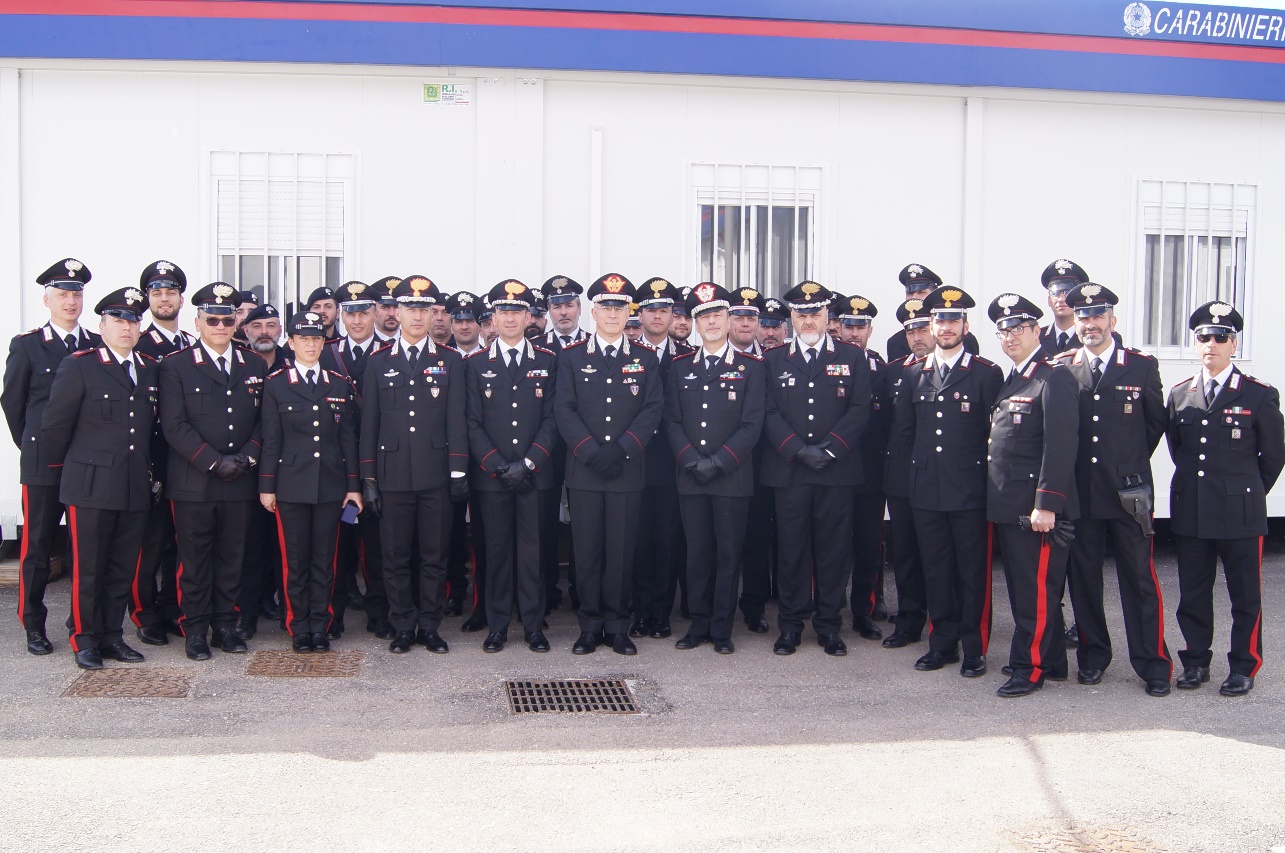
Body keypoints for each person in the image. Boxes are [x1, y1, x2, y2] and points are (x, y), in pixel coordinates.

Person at [1052, 283, 1172, 695]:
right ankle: (1093, 656)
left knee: (1139, 580)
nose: (1090, 324)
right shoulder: (1062, 365)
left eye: (1097, 316)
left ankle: (1153, 663)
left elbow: (1154, 423)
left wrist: (1127, 462)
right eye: (1083, 317)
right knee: (1084, 579)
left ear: (1112, 320)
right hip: (1081, 493)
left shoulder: (1139, 365)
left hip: (1128, 494)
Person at [1167, 301, 1284, 697]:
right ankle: (1196, 662)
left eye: (1220, 337)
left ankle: (1244, 666)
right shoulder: (1181, 394)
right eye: (1204, 337)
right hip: (1192, 510)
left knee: (1245, 596)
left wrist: (1245, 491)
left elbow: (1272, 457)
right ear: (1195, 343)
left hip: (1240, 513)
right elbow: (1177, 449)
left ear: (1234, 344)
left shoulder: (1259, 395)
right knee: (1193, 594)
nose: (1211, 344)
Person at [41, 286, 157, 669]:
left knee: (122, 566)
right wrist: (67, 477)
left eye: (133, 320)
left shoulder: (148, 367)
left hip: (132, 485)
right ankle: (84, 638)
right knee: (89, 567)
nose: (127, 327)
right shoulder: (81, 364)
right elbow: (55, 427)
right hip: (89, 486)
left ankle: (112, 636)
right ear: (102, 325)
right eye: (118, 320)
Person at [554, 273, 663, 655]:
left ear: (628, 312)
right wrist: (589, 450)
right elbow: (563, 409)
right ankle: (589, 626)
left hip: (626, 470)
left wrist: (622, 450)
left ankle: (618, 626)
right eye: (606, 307)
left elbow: (652, 409)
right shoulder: (570, 357)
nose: (613, 314)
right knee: (586, 552)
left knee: (620, 552)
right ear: (594, 311)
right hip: (584, 471)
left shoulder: (645, 359)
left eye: (620, 308)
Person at [360, 275, 469, 654]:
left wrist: (457, 471)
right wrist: (368, 477)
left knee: (434, 555)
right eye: (410, 309)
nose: (418, 316)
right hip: (391, 476)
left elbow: (457, 418)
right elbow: (368, 424)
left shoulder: (450, 361)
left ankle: (430, 625)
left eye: (425, 309)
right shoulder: (377, 363)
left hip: (435, 474)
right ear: (396, 312)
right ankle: (402, 624)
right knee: (395, 556)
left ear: (433, 313)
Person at [896, 285, 1002, 677]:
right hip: (926, 489)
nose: (946, 327)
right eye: (940, 320)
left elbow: (996, 435)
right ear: (932, 324)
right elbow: (905, 434)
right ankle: (942, 643)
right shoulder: (912, 374)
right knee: (935, 569)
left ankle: (974, 648)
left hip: (969, 490)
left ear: (965, 325)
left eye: (953, 320)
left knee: (972, 572)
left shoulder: (986, 373)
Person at [761, 280, 871, 657]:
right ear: (792, 317)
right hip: (790, 470)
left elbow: (859, 410)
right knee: (791, 549)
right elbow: (768, 411)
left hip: (835, 471)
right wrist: (796, 449)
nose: (808, 320)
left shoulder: (852, 357)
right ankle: (790, 626)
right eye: (801, 314)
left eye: (815, 313)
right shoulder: (773, 359)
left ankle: (828, 626)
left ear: (828, 316)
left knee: (833, 550)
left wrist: (831, 450)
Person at [159, 283, 265, 660]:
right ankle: (195, 630)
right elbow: (173, 425)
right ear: (198, 321)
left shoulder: (254, 363)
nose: (221, 325)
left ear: (237, 321)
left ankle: (225, 624)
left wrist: (246, 459)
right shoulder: (176, 365)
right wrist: (213, 461)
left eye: (227, 318)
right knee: (194, 559)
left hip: (239, 479)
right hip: (194, 481)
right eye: (212, 319)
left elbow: (263, 421)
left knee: (231, 556)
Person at [2, 258, 100, 656]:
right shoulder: (27, 345)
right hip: (43, 460)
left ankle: (80, 622)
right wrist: (31, 443)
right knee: (38, 545)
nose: (71, 301)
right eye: (63, 294)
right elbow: (13, 402)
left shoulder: (95, 343)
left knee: (84, 545)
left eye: (76, 294)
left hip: (85, 459)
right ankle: (33, 624)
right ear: (47, 299)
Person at [986, 292, 1079, 697]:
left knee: (1035, 591)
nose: (1010, 336)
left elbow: (1060, 446)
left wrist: (1047, 503)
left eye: (1018, 328)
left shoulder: (1053, 376)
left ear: (1037, 330)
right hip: (1010, 503)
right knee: (1026, 586)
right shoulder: (1016, 376)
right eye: (1003, 330)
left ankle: (1031, 666)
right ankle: (1053, 659)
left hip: (1034, 508)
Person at [665, 283, 765, 653]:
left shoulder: (752, 368)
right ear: (694, 322)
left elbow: (752, 424)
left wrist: (719, 461)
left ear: (728, 320)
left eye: (717, 315)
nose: (710, 322)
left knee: (728, 553)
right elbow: (672, 421)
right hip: (691, 476)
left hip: (731, 477)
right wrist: (692, 459)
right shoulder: (679, 367)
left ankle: (722, 628)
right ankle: (699, 623)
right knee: (697, 552)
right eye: (703, 316)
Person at [464, 279, 559, 652]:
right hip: (493, 476)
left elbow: (553, 419)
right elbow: (470, 421)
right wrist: (497, 465)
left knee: (533, 553)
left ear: (527, 316)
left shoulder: (549, 361)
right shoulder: (474, 364)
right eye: (503, 311)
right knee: (498, 552)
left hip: (535, 475)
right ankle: (498, 625)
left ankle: (534, 626)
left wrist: (530, 462)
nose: (510, 318)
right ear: (494, 316)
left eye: (517, 311)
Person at [259, 311, 362, 653]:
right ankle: (297, 625)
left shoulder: (337, 382)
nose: (311, 345)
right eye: (304, 339)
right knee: (295, 561)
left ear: (324, 342)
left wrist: (353, 486)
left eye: (317, 339)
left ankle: (321, 623)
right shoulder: (276, 383)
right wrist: (267, 486)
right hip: (290, 486)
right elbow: (271, 439)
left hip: (330, 486)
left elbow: (348, 440)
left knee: (325, 559)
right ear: (291, 343)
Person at [131, 260, 195, 646]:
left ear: (181, 299)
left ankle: (174, 609)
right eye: (156, 293)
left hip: (183, 460)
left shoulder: (189, 342)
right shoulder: (137, 343)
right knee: (149, 543)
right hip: (150, 457)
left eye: (170, 292)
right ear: (148, 300)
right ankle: (144, 613)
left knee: (180, 542)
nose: (164, 298)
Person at [322, 280, 391, 638]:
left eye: (364, 311)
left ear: (376, 313)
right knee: (339, 544)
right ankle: (333, 615)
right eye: (350, 312)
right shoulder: (324, 352)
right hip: (338, 468)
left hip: (379, 466)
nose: (358, 319)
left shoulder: (391, 351)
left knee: (378, 546)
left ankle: (380, 613)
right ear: (340, 315)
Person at [631, 277, 693, 639]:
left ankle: (662, 613)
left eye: (664, 310)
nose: (658, 316)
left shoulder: (687, 357)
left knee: (669, 541)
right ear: (640, 313)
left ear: (673, 315)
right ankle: (640, 612)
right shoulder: (628, 351)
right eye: (651, 309)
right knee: (638, 541)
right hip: (635, 460)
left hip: (672, 462)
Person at [234, 301, 290, 639]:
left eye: (271, 325)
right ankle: (248, 612)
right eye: (257, 326)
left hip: (291, 470)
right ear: (246, 330)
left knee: (286, 547)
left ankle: (285, 608)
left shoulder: (296, 360)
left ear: (281, 331)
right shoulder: (241, 366)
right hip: (249, 469)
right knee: (250, 545)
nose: (264, 332)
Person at [835, 294, 889, 641]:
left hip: (871, 474)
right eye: (849, 326)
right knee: (833, 546)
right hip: (835, 470)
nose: (854, 333)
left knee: (869, 546)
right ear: (837, 327)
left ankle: (864, 611)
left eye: (861, 326)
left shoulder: (883, 371)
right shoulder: (828, 365)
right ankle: (831, 608)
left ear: (870, 331)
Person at [881, 297, 933, 649]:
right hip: (900, 474)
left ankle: (943, 620)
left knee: (938, 553)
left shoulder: (966, 369)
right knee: (906, 554)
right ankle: (909, 618)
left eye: (922, 328)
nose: (917, 336)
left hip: (937, 475)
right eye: (910, 330)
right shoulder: (893, 370)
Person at [539, 274, 586, 612]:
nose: (563, 312)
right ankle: (546, 589)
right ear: (548, 311)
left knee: (584, 524)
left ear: (580, 308)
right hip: (546, 452)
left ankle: (580, 589)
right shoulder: (536, 346)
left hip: (583, 450)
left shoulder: (594, 343)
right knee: (543, 524)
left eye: (569, 305)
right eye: (557, 306)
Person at [443, 291, 489, 626]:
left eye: (469, 319)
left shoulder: (491, 358)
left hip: (487, 462)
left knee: (485, 537)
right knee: (450, 533)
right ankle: (453, 592)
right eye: (457, 319)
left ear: (480, 324)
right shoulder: (443, 358)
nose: (462, 325)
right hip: (449, 462)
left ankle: (484, 601)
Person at [886, 264, 978, 361]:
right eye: (910, 293)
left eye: (921, 292)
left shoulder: (963, 338)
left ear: (933, 296)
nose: (914, 297)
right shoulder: (895, 342)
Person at [1038, 259, 1089, 355]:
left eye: (1068, 292)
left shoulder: (1092, 335)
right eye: (1055, 293)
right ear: (1049, 300)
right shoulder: (1036, 338)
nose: (1061, 298)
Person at [373, 276, 401, 341]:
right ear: (374, 311)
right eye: (385, 307)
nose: (392, 314)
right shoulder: (363, 344)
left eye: (397, 307)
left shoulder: (413, 343)